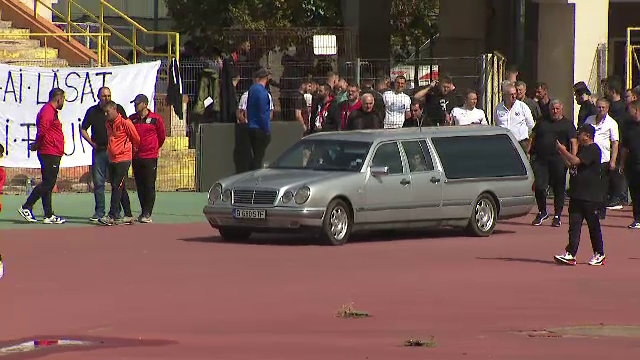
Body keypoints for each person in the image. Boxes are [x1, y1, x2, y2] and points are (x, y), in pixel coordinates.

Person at [554, 124, 606, 266]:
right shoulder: (582, 149)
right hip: (576, 194)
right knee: (574, 226)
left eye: (580, 134)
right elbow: (573, 164)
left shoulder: (593, 149)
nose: (578, 136)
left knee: (593, 226)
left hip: (590, 196)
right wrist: (561, 153)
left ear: (587, 136)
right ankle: (571, 253)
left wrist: (563, 151)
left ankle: (599, 253)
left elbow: (576, 161)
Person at [18, 88, 67, 224]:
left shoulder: (51, 111)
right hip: (49, 151)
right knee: (48, 183)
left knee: (48, 183)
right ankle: (27, 206)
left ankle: (48, 215)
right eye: (63, 99)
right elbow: (43, 130)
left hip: (53, 151)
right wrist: (37, 144)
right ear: (59, 99)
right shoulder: (47, 111)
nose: (64, 102)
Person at [81, 86, 127, 222]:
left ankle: (116, 212)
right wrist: (92, 143)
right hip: (99, 151)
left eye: (108, 96)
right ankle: (99, 211)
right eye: (104, 96)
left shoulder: (117, 109)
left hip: (115, 152)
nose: (106, 98)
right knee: (99, 182)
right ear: (98, 97)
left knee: (116, 183)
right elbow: (83, 129)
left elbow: (126, 126)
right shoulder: (93, 111)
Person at [530, 100, 577, 227]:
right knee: (539, 186)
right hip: (541, 160)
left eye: (557, 109)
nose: (554, 111)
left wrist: (572, 159)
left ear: (561, 109)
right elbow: (533, 137)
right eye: (552, 109)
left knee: (558, 189)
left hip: (559, 161)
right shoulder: (542, 122)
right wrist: (530, 154)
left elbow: (573, 142)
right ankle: (543, 211)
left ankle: (557, 215)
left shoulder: (568, 124)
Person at [98, 101, 140, 226]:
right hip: (112, 158)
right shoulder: (107, 123)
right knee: (120, 187)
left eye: (108, 112)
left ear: (115, 110)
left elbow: (136, 138)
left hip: (124, 158)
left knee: (116, 185)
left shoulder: (125, 123)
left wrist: (130, 149)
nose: (106, 114)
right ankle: (128, 214)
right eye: (104, 112)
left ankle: (112, 215)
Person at [130, 94, 166, 223]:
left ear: (145, 104)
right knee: (140, 185)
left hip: (150, 157)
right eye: (134, 103)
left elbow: (161, 136)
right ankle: (143, 210)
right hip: (136, 157)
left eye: (138, 103)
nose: (135, 106)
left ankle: (148, 213)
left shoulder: (156, 119)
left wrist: (153, 148)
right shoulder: (132, 119)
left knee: (149, 185)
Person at [584, 98, 620, 219]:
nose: (601, 109)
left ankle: (601, 211)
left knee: (602, 187)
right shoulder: (589, 120)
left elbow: (615, 143)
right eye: (599, 107)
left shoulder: (612, 123)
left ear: (607, 108)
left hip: (603, 159)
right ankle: (590, 209)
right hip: (589, 158)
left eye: (603, 107)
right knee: (590, 185)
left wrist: (613, 160)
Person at [246, 68, 273, 170]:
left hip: (252, 126)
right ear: (265, 78)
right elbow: (263, 113)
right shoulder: (262, 92)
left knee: (256, 155)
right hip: (260, 128)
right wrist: (266, 130)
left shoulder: (252, 90)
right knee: (258, 157)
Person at [619, 99, 640, 228]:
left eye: (630, 111)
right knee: (635, 193)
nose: (629, 113)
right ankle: (637, 218)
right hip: (632, 165)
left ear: (637, 110)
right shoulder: (628, 126)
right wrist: (621, 164)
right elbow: (624, 147)